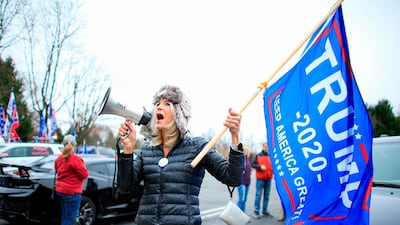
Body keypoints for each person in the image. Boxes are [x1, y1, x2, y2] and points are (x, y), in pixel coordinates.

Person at [117, 84, 244, 225]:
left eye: (167, 103)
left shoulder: (198, 147)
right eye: (157, 103)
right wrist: (128, 150)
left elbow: (233, 178)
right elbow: (125, 187)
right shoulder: (147, 149)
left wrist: (235, 137)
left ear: (179, 113)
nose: (158, 107)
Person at [54, 134, 89, 225]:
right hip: (72, 192)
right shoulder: (76, 159)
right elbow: (84, 174)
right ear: (74, 145)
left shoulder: (58, 159)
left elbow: (57, 171)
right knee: (69, 219)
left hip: (60, 191)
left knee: (65, 216)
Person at [251, 142, 273, 219]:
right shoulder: (258, 155)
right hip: (260, 179)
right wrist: (260, 166)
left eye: (267, 147)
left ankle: (265, 211)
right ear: (263, 147)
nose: (266, 148)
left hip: (269, 179)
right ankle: (256, 212)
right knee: (258, 195)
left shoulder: (271, 156)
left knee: (266, 196)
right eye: (265, 147)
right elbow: (252, 164)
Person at [237, 145, 252, 213]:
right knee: (241, 199)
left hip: (247, 182)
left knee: (244, 199)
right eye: (244, 150)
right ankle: (237, 215)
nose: (245, 151)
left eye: (246, 150)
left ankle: (243, 215)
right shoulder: (240, 159)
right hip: (241, 182)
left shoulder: (247, 159)